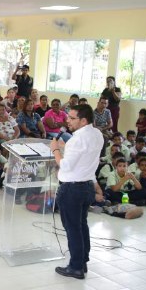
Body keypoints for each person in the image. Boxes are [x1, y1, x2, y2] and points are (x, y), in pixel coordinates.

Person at [50, 104, 103, 279]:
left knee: (73, 228)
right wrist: (65, 148)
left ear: (84, 120)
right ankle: (82, 261)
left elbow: (65, 165)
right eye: (68, 117)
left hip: (72, 189)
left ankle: (75, 267)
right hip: (87, 186)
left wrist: (55, 149)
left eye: (72, 118)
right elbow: (84, 157)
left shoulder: (76, 140)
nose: (68, 121)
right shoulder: (97, 134)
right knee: (81, 225)